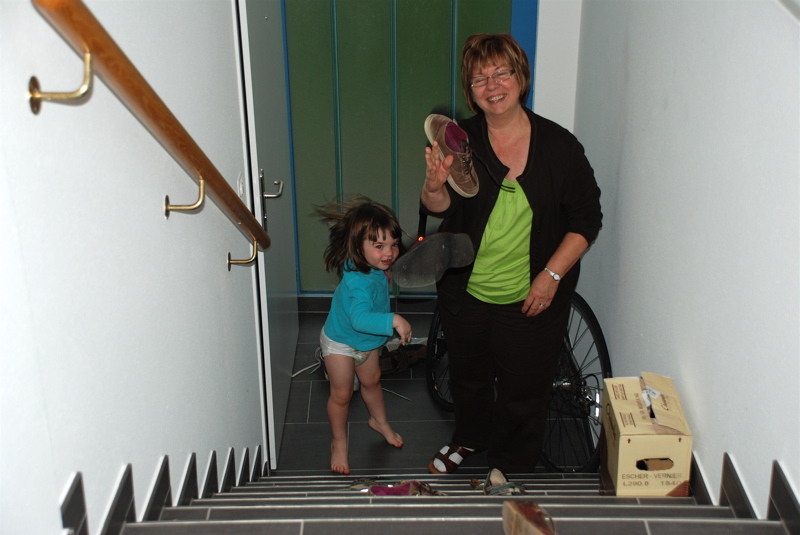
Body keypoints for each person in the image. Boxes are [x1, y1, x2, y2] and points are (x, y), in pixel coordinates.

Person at [421, 34, 602, 476]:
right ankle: (469, 437)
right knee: (468, 376)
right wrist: (433, 186)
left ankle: (511, 465)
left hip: (530, 294)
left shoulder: (560, 147)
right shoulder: (461, 139)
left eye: (502, 73)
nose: (493, 85)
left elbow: (586, 220)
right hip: (465, 288)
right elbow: (441, 208)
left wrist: (552, 276)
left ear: (521, 77)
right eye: (480, 78)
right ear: (470, 91)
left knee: (524, 387)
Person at [317, 198, 412, 474]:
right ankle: (339, 442)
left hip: (367, 340)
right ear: (358, 246)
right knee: (342, 394)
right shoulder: (358, 280)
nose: (389, 253)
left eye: (393, 244)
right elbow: (359, 319)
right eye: (379, 246)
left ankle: (378, 421)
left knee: (372, 381)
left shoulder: (373, 266)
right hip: (340, 342)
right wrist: (394, 319)